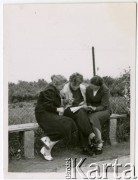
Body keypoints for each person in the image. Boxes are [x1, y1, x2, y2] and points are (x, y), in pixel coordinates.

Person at [35, 75, 77, 161]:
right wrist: (57, 109)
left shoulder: (53, 89)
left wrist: (66, 101)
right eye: (61, 85)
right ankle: (47, 149)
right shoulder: (49, 90)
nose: (62, 87)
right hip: (43, 115)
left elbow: (54, 102)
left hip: (49, 114)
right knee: (67, 123)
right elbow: (46, 105)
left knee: (68, 123)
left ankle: (47, 144)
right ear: (55, 83)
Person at [61, 73, 95, 156]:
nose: (76, 87)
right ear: (70, 81)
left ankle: (85, 148)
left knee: (80, 118)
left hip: (80, 110)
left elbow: (85, 101)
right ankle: (90, 135)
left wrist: (85, 106)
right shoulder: (64, 89)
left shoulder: (83, 88)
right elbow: (59, 104)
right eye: (74, 84)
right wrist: (66, 101)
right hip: (68, 111)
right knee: (81, 114)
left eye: (78, 84)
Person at [85, 75, 111, 154]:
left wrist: (95, 109)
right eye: (91, 86)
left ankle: (99, 144)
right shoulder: (88, 88)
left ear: (100, 86)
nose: (92, 88)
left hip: (105, 110)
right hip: (92, 110)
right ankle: (91, 143)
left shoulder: (105, 90)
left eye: (95, 87)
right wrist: (89, 107)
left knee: (94, 118)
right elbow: (88, 100)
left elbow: (104, 105)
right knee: (84, 118)